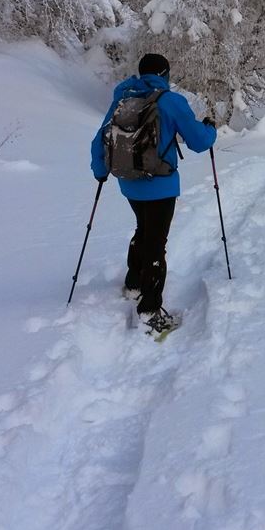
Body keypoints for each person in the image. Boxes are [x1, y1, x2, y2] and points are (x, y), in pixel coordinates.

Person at [91, 53, 216, 332]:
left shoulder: (122, 99)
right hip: (161, 185)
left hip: (128, 182)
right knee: (156, 244)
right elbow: (198, 141)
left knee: (143, 227)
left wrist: (100, 171)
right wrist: (210, 130)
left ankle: (134, 283)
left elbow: (100, 138)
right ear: (164, 74)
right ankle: (149, 309)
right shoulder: (170, 101)